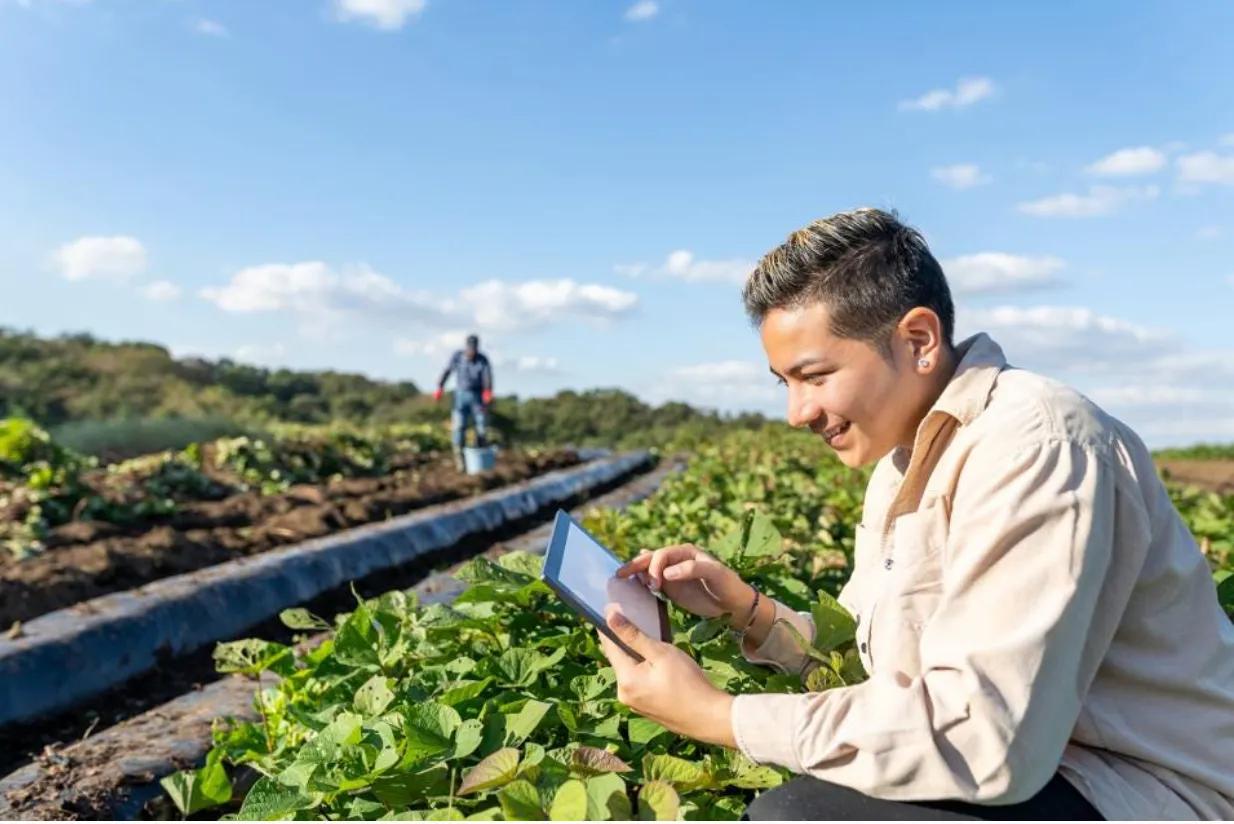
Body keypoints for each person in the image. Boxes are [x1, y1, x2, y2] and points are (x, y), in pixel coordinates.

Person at [596, 208, 1234, 820]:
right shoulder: (903, 462)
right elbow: (886, 677)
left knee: (800, 815)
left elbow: (985, 739)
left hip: (1143, 791)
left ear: (920, 340)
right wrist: (749, 612)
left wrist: (720, 716)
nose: (796, 412)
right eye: (783, 382)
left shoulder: (1037, 445)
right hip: (1050, 767)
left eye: (814, 376)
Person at [433, 333, 493, 471]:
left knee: (481, 426)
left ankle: (480, 460)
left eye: (474, 348)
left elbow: (487, 376)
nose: (472, 351)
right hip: (461, 396)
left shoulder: (482, 360)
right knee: (459, 427)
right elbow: (447, 370)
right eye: (470, 348)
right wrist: (440, 386)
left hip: (477, 397)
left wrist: (488, 391)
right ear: (466, 347)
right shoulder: (458, 356)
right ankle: (461, 463)